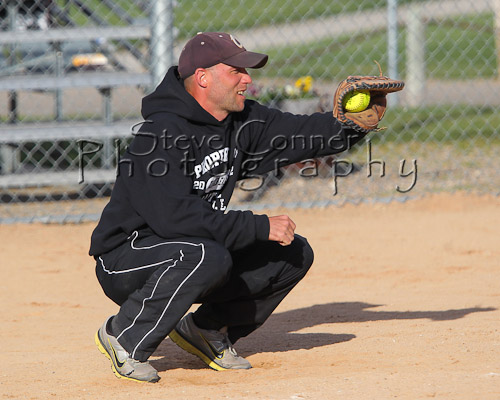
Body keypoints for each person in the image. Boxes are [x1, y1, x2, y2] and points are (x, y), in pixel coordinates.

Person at [91, 32, 366, 383]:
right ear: (203, 77)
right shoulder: (160, 134)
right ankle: (124, 335)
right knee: (207, 255)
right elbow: (175, 218)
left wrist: (350, 126)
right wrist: (258, 226)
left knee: (292, 253)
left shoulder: (240, 120)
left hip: (192, 247)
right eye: (236, 71)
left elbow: (299, 133)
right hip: (128, 257)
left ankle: (207, 329)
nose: (247, 80)